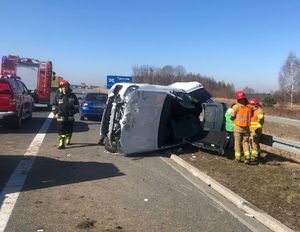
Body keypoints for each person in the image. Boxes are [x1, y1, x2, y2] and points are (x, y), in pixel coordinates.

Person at [52, 80, 79, 149]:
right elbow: (54, 105)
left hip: (70, 116)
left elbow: (76, 106)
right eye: (62, 86)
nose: (64, 88)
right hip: (60, 116)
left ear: (68, 87)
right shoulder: (58, 95)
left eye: (65, 86)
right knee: (61, 129)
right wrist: (55, 113)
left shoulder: (72, 95)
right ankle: (61, 143)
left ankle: (68, 139)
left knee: (69, 129)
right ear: (61, 87)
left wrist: (73, 112)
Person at [230, 90, 253, 164]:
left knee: (237, 143)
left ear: (237, 98)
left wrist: (232, 119)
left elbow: (232, 116)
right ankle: (248, 156)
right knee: (245, 142)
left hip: (238, 128)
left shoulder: (236, 106)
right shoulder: (249, 106)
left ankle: (238, 158)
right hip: (247, 128)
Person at [249, 98, 264, 163]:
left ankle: (254, 157)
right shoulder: (253, 111)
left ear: (255, 104)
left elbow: (260, 120)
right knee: (254, 143)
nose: (251, 106)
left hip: (256, 130)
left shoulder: (259, 110)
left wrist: (256, 130)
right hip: (252, 129)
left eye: (252, 104)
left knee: (254, 143)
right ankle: (257, 155)